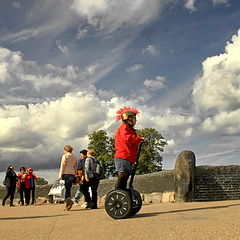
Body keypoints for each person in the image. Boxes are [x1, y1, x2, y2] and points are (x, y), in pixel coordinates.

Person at [114, 106, 146, 190]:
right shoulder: (124, 127)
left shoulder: (131, 130)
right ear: (128, 118)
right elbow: (127, 138)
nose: (136, 120)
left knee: (126, 177)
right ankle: (118, 192)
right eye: (134, 118)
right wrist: (139, 139)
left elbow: (133, 143)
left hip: (129, 157)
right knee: (122, 176)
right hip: (123, 156)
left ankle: (123, 193)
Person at [58, 144, 77, 211]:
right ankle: (67, 203)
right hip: (72, 174)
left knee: (65, 189)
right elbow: (75, 167)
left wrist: (60, 175)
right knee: (68, 188)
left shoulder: (65, 156)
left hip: (65, 173)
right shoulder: (74, 157)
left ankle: (68, 201)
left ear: (65, 150)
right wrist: (75, 175)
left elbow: (62, 165)